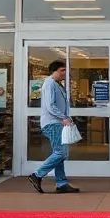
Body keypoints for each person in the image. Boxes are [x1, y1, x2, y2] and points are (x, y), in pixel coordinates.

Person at [28, 60, 80, 194]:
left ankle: (61, 183)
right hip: (53, 123)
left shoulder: (57, 84)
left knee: (60, 153)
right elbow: (50, 105)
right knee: (61, 153)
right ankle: (37, 175)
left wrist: (67, 118)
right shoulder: (49, 83)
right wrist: (63, 117)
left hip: (58, 122)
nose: (64, 73)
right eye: (62, 70)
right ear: (54, 71)